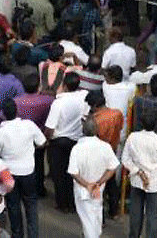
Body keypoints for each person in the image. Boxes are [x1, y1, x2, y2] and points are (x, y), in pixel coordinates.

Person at [0, 99, 46, 238]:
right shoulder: (29, 125)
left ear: (2, 114)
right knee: (31, 206)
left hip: (9, 175)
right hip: (28, 172)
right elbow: (42, 142)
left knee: (13, 206)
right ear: (17, 111)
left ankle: (18, 235)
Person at [68, 116, 120, 238]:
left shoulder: (77, 148)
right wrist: (99, 182)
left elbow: (73, 172)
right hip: (98, 189)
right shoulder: (105, 147)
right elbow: (113, 167)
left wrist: (87, 185)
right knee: (95, 217)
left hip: (83, 190)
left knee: (88, 221)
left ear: (83, 130)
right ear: (97, 130)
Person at [44, 71, 89, 214]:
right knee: (74, 174)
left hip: (59, 142)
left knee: (59, 174)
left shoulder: (58, 103)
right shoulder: (84, 98)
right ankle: (73, 202)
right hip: (77, 141)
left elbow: (50, 127)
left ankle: (62, 204)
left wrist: (47, 139)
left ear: (64, 85)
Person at [122, 111, 157, 238]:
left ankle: (134, 235)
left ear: (141, 123)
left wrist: (137, 171)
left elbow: (125, 160)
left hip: (137, 180)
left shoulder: (132, 137)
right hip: (155, 183)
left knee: (135, 213)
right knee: (153, 215)